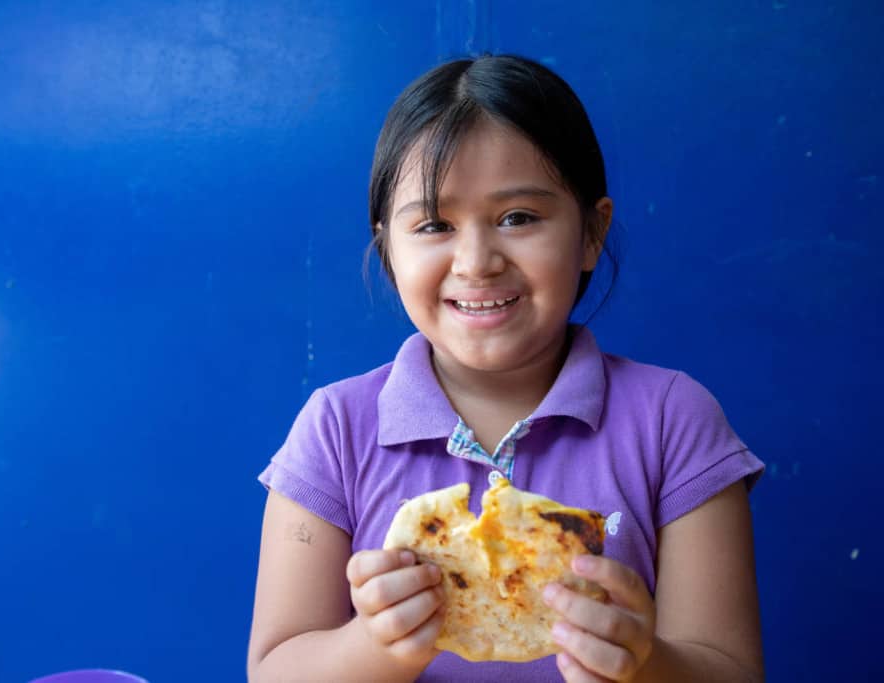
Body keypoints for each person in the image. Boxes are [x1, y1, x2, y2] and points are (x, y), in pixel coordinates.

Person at [247, 54, 765, 683]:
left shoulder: (673, 421)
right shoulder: (335, 430)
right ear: (389, 247)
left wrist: (646, 663)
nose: (477, 261)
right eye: (435, 224)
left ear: (592, 233)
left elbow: (731, 671)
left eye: (518, 218)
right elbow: (275, 670)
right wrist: (378, 645)